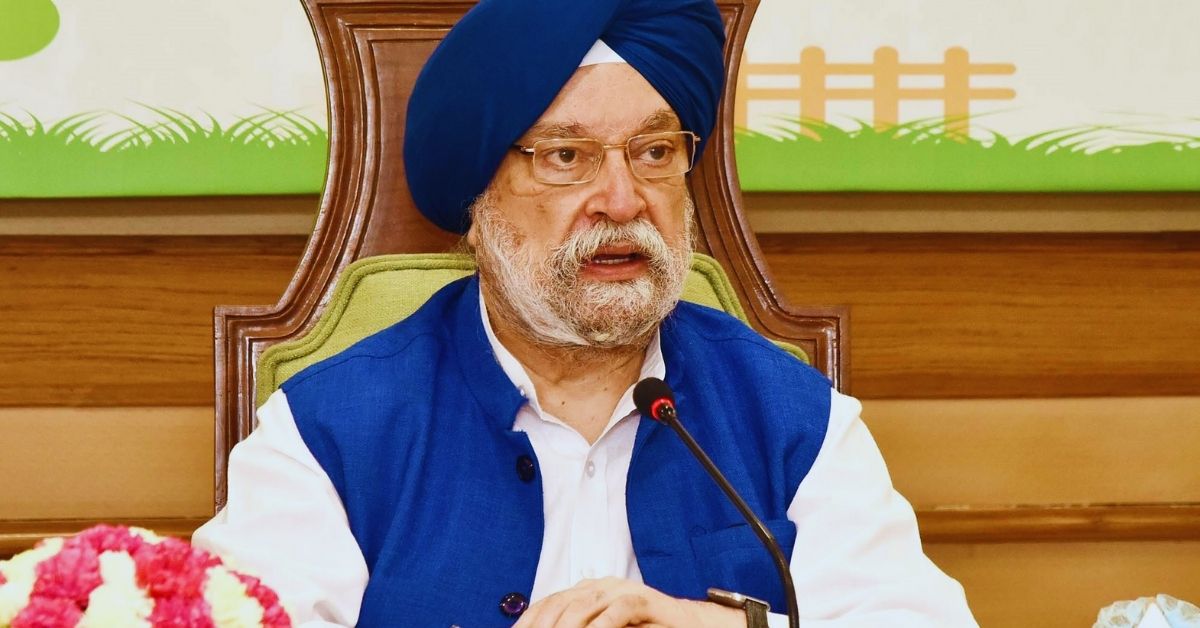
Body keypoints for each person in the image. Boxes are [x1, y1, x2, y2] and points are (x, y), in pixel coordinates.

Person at [194, 0, 977, 626]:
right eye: (566, 157)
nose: (623, 200)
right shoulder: (328, 433)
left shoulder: (792, 417)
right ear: (479, 207)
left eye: (654, 153)